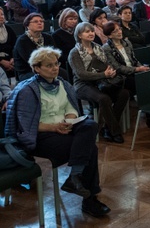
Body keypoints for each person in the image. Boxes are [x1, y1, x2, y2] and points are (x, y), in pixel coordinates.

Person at [4, 47, 111, 217]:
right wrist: (54, 127)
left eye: (56, 64)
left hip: (64, 128)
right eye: (49, 65)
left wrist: (68, 120)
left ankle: (75, 178)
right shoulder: (27, 90)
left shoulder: (62, 84)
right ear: (36, 68)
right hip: (41, 136)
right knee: (91, 149)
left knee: (90, 125)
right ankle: (88, 198)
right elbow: (26, 124)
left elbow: (71, 107)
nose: (55, 68)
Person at [68, 22, 129, 144]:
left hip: (101, 81)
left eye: (91, 31)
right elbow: (81, 74)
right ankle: (114, 131)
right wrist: (103, 74)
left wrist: (110, 71)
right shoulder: (74, 52)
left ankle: (107, 127)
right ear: (79, 35)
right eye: (87, 31)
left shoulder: (98, 47)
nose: (91, 33)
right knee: (104, 99)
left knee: (124, 93)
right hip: (83, 84)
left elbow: (107, 65)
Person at [101, 21, 150, 130]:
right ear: (109, 35)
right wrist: (137, 69)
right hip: (121, 77)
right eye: (115, 31)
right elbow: (117, 68)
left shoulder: (127, 43)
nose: (119, 32)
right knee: (144, 84)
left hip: (133, 72)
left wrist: (142, 67)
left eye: (119, 29)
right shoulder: (106, 48)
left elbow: (134, 60)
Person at [14, 13, 57, 80]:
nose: (40, 23)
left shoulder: (48, 37)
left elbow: (54, 54)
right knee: (43, 77)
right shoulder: (22, 40)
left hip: (48, 67)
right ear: (27, 25)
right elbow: (30, 60)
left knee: (64, 74)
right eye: (36, 21)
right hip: (28, 71)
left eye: (41, 21)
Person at [0, 9, 17, 77]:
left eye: (2, 14)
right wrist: (2, 61)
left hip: (10, 59)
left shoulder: (9, 29)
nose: (1, 17)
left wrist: (13, 58)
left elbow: (15, 46)